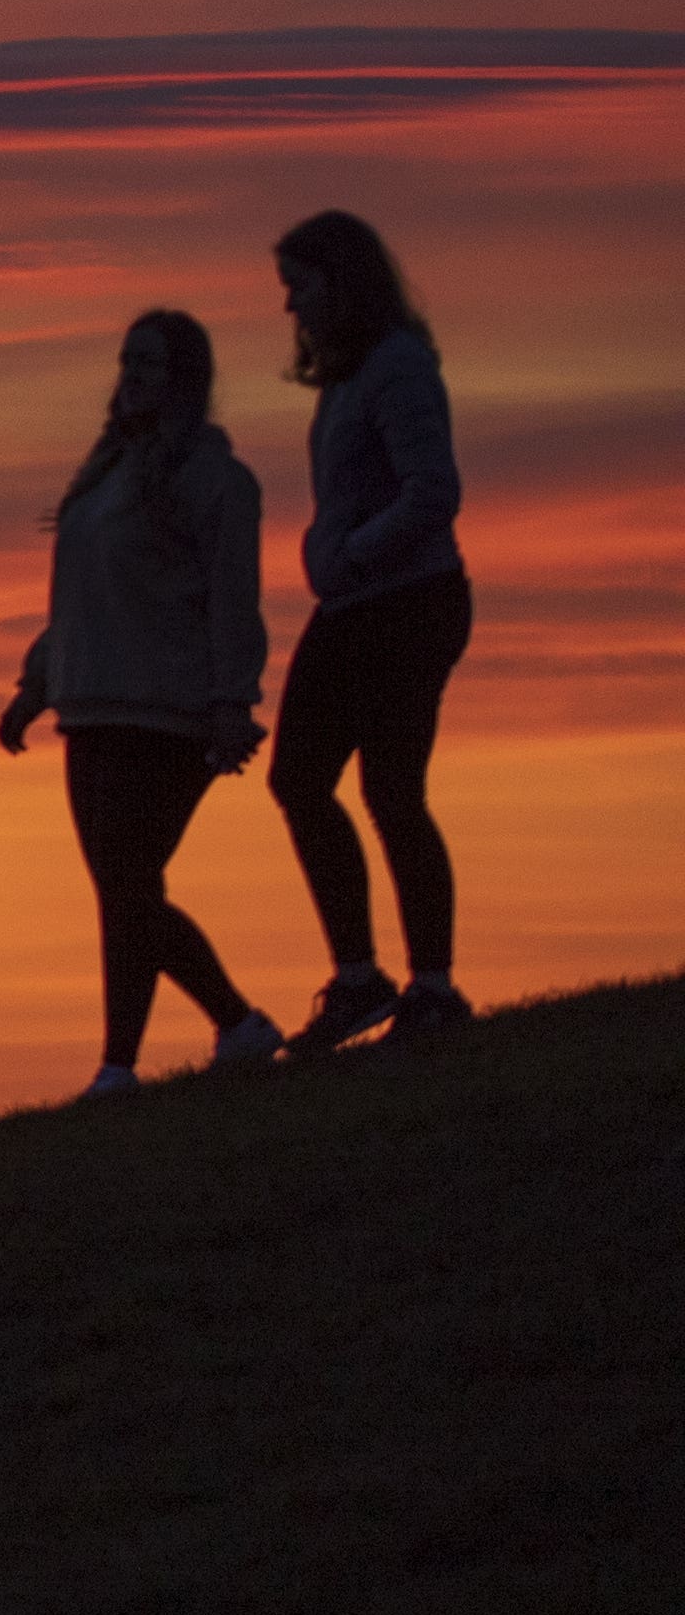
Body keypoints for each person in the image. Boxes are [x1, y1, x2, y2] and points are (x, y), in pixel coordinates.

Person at [0, 306, 281, 1095]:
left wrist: (233, 703)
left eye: (150, 365)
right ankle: (232, 1026)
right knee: (125, 890)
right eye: (127, 363)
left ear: (185, 379)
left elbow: (233, 597)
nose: (132, 380)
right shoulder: (103, 476)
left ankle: (126, 1063)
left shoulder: (217, 481)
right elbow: (77, 599)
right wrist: (37, 684)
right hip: (90, 702)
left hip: (166, 708)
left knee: (128, 888)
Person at [264, 207, 474, 1053]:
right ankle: (359, 978)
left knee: (391, 790)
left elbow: (434, 492)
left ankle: (431, 987)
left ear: (341, 283)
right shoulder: (348, 377)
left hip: (410, 603)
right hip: (353, 606)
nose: (290, 307)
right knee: (299, 779)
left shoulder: (397, 368)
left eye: (300, 286)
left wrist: (354, 551)